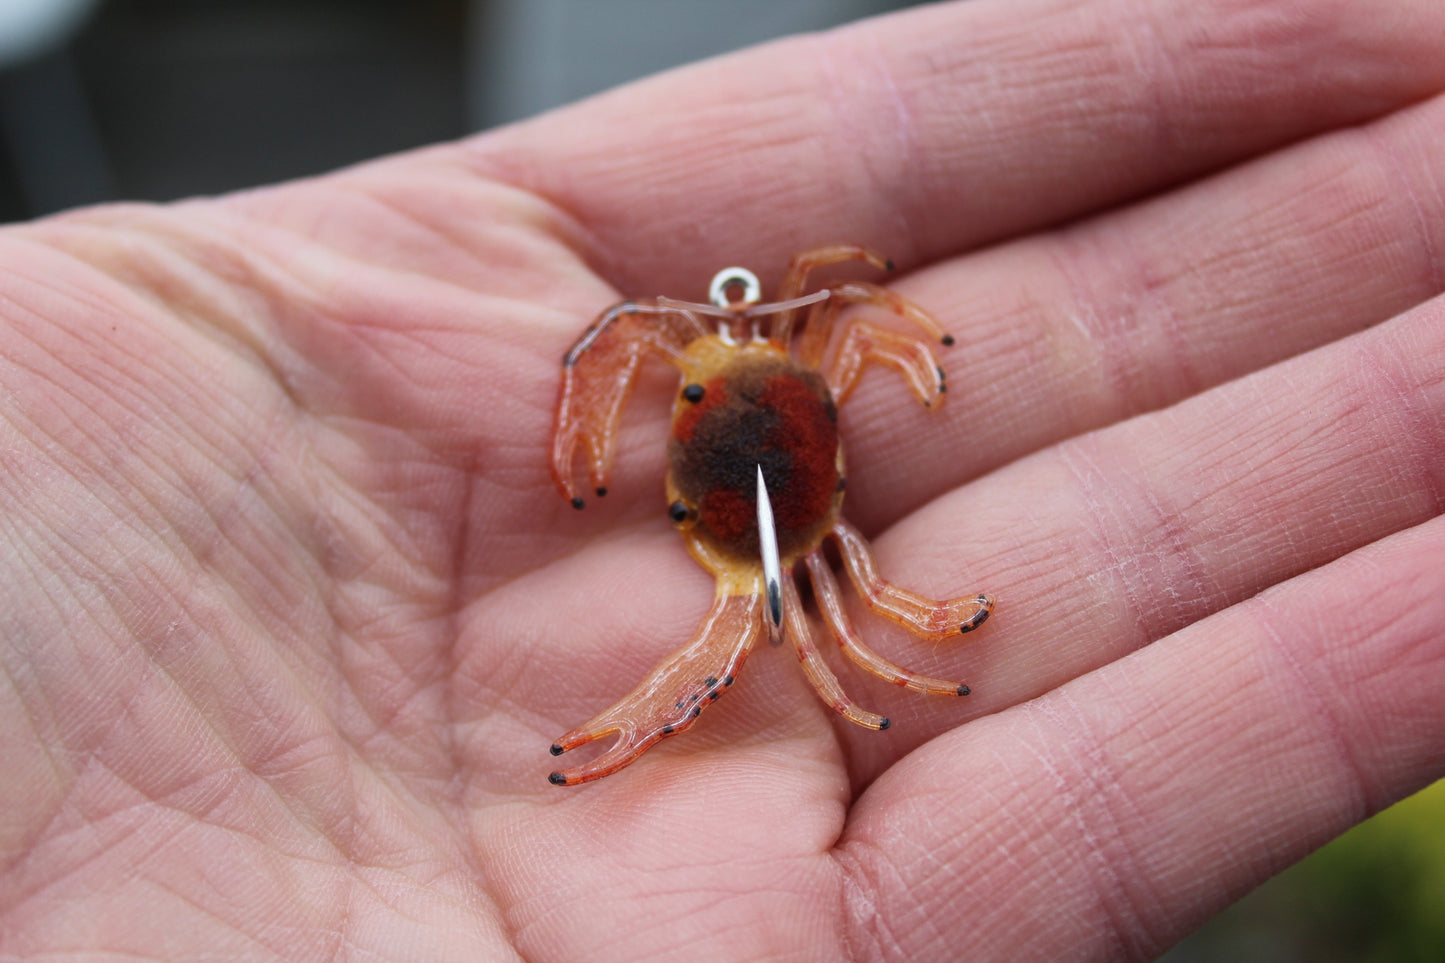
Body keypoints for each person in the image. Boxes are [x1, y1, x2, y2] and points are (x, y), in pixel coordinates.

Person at [2, 0, 1443, 958]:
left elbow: (871, 318)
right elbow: (624, 341)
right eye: (681, 406)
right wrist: (584, 440)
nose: (672, 467)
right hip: (776, 524)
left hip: (797, 559)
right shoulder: (677, 341)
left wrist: (910, 357)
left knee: (814, 641)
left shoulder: (817, 365)